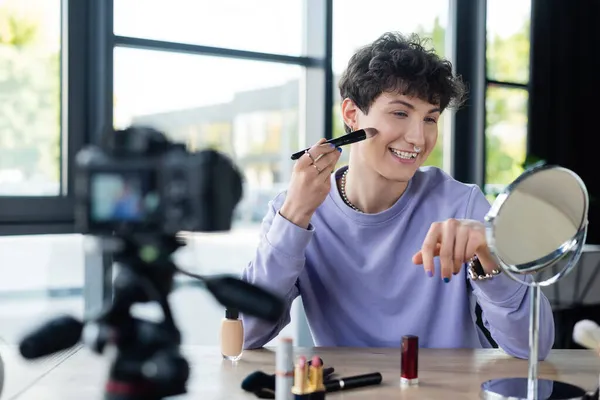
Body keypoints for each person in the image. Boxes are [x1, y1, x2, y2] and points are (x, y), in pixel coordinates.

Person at [240, 32, 555, 360]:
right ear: (351, 114)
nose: (418, 138)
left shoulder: (462, 204)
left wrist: (490, 254)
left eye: (430, 118)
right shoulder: (294, 210)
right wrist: (294, 216)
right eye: (400, 113)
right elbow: (246, 333)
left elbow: (534, 346)